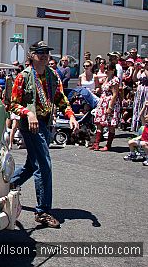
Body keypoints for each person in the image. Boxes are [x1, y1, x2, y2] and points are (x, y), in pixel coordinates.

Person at [9, 41, 78, 228]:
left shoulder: (52, 75)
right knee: (44, 165)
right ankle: (43, 211)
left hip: (46, 123)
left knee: (32, 165)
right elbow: (13, 104)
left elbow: (60, 98)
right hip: (31, 125)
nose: (45, 56)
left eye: (47, 52)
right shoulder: (23, 77)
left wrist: (71, 116)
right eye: (41, 53)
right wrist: (28, 112)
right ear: (32, 55)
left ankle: (7, 184)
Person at [91, 63, 120, 151]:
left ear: (113, 70)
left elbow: (115, 94)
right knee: (99, 123)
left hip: (110, 103)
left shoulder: (115, 80)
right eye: (105, 69)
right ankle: (96, 143)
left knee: (110, 124)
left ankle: (108, 145)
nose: (106, 70)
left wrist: (110, 107)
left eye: (108, 69)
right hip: (103, 102)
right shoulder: (106, 79)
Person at [131, 57, 148, 132]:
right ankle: (137, 127)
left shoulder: (146, 71)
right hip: (140, 90)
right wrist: (136, 69)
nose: (145, 64)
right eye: (144, 62)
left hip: (146, 90)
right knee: (137, 107)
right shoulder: (141, 71)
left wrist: (145, 69)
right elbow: (134, 79)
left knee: (145, 108)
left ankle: (144, 126)